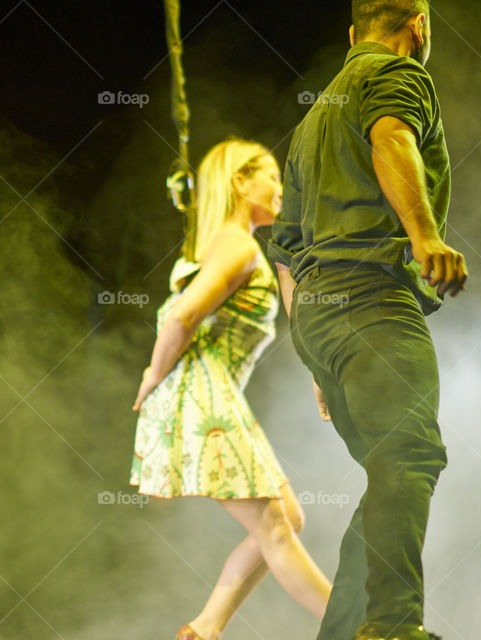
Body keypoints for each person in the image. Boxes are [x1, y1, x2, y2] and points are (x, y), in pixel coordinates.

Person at [268, 1, 468, 639]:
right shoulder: (396, 73)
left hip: (321, 318)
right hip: (372, 297)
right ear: (420, 24)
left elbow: (285, 246)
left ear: (351, 34)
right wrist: (425, 234)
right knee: (409, 456)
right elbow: (392, 136)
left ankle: (351, 631)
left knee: (392, 465)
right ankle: (390, 627)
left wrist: (318, 357)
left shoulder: (312, 118)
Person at [130, 138, 332, 640]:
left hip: (211, 393)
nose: (279, 188)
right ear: (239, 181)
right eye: (269, 175)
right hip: (205, 394)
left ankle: (204, 628)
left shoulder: (229, 240)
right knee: (278, 529)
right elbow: (184, 313)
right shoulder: (237, 242)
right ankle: (359, 627)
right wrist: (153, 374)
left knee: (287, 519)